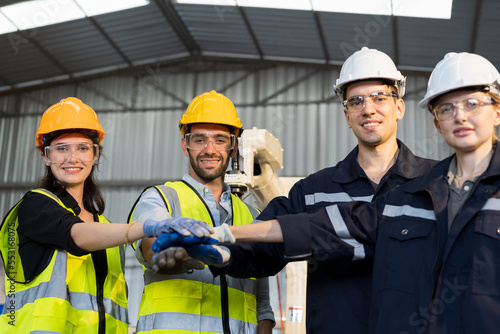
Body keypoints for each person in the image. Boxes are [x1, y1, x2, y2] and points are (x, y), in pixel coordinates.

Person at [177, 51, 500, 333]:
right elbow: (266, 250)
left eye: (379, 98)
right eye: (356, 101)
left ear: (399, 107)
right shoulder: (314, 190)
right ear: (346, 115)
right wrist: (223, 252)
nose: (368, 109)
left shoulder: (433, 187)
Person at [0, 97, 211, 333]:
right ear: (45, 156)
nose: (73, 158)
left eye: (82, 148)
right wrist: (147, 227)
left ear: (95, 154)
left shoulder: (106, 228)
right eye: (61, 149)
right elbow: (76, 233)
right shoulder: (35, 206)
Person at [129, 90, 275, 334]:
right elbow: (149, 242)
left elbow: (261, 304)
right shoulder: (161, 197)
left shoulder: (251, 216)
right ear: (186, 145)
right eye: (199, 139)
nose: (209, 149)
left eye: (219, 139)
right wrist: (165, 253)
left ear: (233, 146)